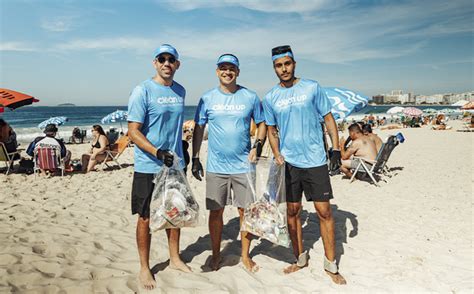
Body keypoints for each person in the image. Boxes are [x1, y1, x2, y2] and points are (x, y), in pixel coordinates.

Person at [262, 45, 346, 284]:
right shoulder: (270, 97)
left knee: (324, 212)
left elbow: (328, 118)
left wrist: (336, 149)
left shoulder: (311, 87)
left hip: (315, 160)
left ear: (294, 64)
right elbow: (271, 129)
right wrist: (277, 153)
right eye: (279, 65)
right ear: (274, 68)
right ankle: (299, 258)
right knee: (292, 212)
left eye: (287, 64)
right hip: (289, 164)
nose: (284, 69)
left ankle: (331, 265)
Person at [191, 53, 266, 272]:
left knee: (246, 212)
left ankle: (244, 255)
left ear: (238, 72)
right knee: (216, 212)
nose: (227, 71)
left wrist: (257, 145)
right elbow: (199, 128)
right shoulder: (207, 98)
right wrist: (195, 158)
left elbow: (261, 123)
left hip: (243, 165)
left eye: (231, 68)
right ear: (217, 71)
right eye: (223, 68)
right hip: (216, 167)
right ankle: (216, 254)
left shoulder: (250, 97)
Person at [127, 44, 189, 290]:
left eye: (171, 59)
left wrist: (183, 154)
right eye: (162, 59)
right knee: (145, 217)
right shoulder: (142, 90)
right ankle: (144, 267)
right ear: (155, 62)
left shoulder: (181, 90)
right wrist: (157, 151)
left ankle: (174, 258)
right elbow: (133, 131)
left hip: (174, 165)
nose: (166, 63)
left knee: (175, 214)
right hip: (148, 165)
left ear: (177, 64)